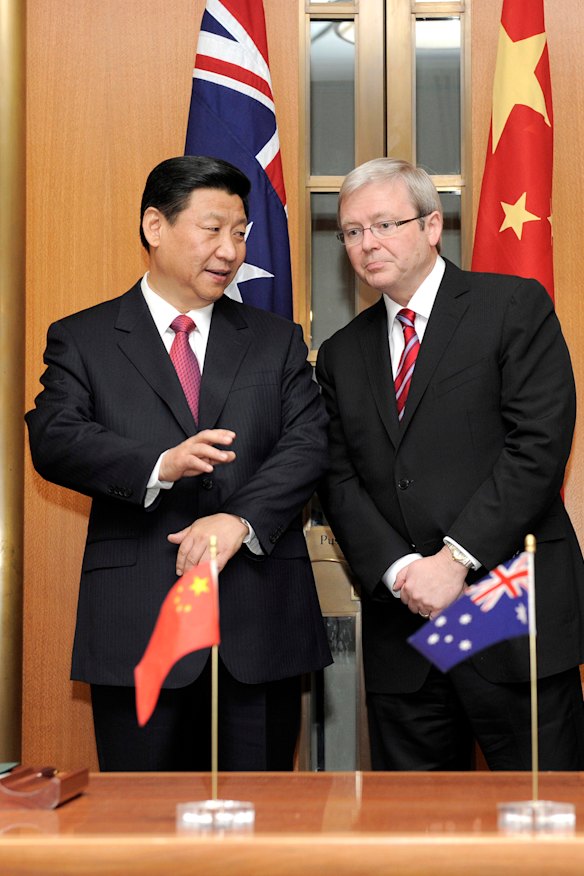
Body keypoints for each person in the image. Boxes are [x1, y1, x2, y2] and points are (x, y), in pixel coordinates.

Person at [26, 155, 331, 772]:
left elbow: (310, 441)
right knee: (140, 831)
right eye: (213, 228)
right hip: (138, 623)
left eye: (242, 232)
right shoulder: (82, 338)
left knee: (260, 832)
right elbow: (53, 436)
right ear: (155, 226)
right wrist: (159, 463)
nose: (231, 249)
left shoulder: (275, 339)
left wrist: (239, 521)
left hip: (258, 624)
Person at [315, 157, 584, 771]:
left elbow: (537, 446)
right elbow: (339, 477)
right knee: (413, 837)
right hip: (403, 630)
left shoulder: (511, 306)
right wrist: (403, 570)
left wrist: (454, 559)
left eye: (384, 224)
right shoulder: (340, 353)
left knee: (543, 827)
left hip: (508, 615)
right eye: (352, 232)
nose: (367, 244)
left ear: (432, 225)